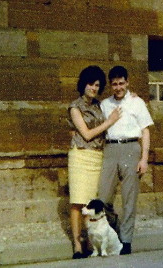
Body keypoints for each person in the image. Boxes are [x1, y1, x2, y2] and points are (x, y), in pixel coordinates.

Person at [98, 65, 154, 255]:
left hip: (131, 148)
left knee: (129, 198)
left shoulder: (137, 102)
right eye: (114, 84)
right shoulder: (105, 105)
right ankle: (116, 229)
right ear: (110, 86)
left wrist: (144, 158)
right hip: (111, 148)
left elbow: (145, 130)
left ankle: (127, 240)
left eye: (122, 83)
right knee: (104, 197)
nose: (118, 87)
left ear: (127, 83)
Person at [67, 65, 122, 259]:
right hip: (81, 156)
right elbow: (87, 134)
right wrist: (110, 122)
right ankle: (77, 245)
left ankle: (92, 242)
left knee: (92, 201)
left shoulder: (99, 105)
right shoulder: (75, 107)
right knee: (77, 201)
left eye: (97, 85)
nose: (93, 88)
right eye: (90, 84)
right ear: (83, 84)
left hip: (98, 156)